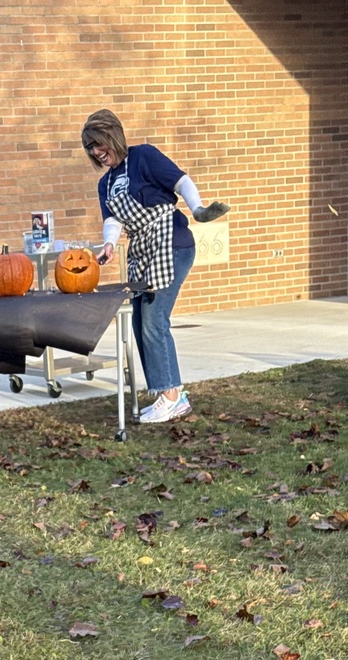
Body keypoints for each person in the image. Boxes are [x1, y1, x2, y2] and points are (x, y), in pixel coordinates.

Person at [80, 110, 229, 424]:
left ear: (112, 136)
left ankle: (171, 397)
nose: (96, 152)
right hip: (142, 252)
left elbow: (181, 181)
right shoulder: (106, 183)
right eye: (90, 148)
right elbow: (112, 219)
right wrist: (109, 244)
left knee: (154, 319)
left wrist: (198, 209)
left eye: (98, 143)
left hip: (171, 243)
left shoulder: (143, 157)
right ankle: (169, 393)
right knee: (139, 321)